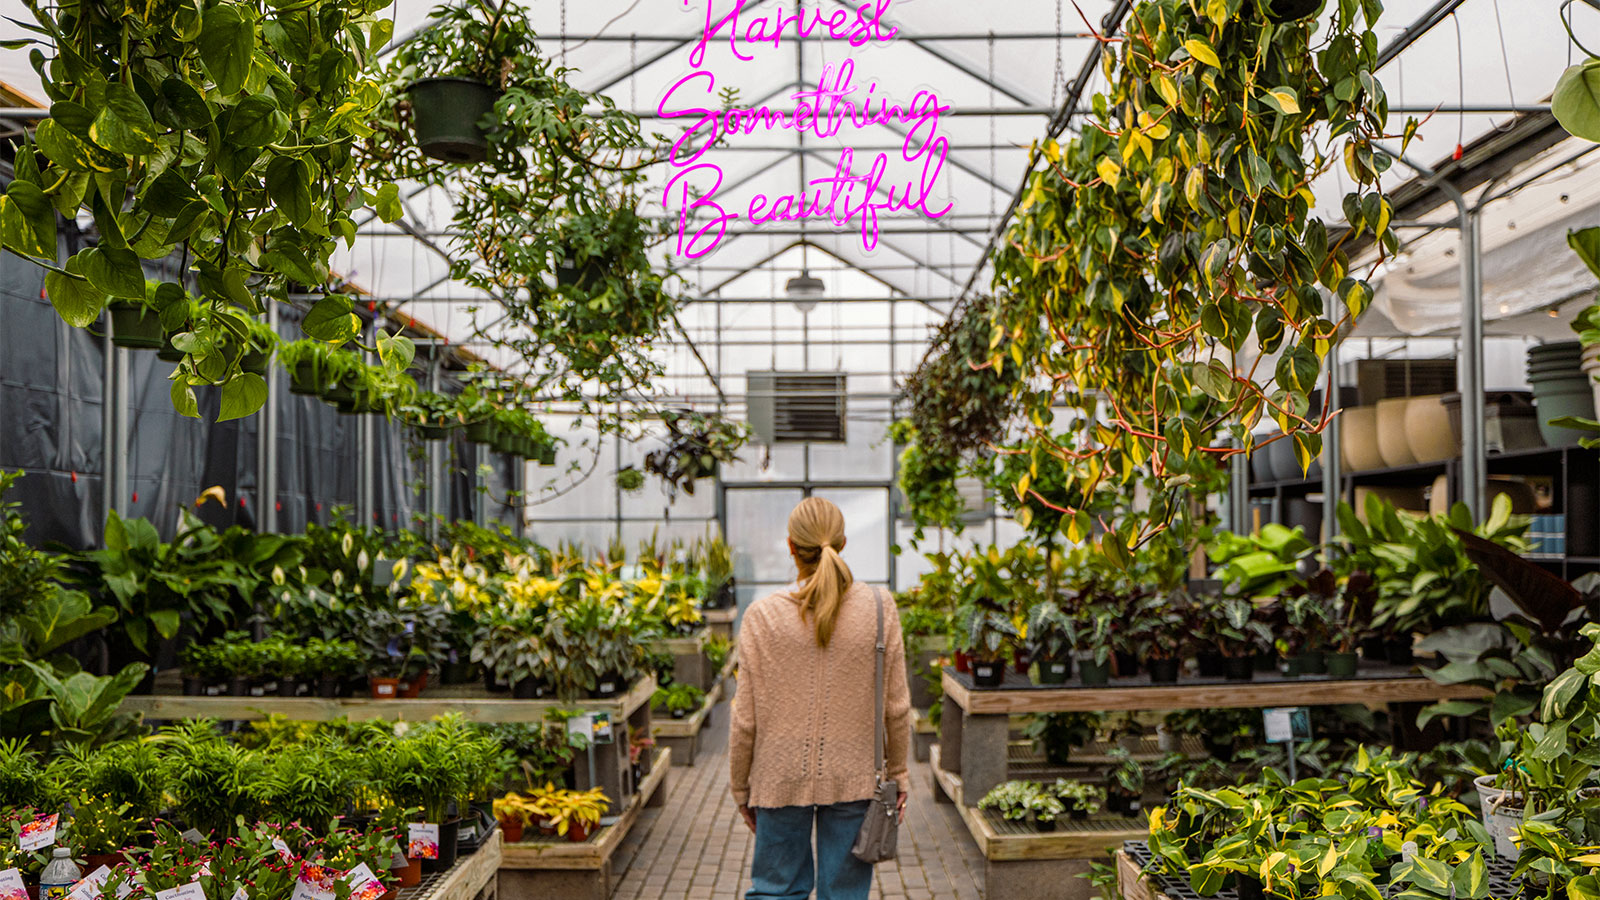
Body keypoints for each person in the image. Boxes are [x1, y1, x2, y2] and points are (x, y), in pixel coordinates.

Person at [729, 497, 912, 900]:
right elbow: (896, 707)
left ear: (791, 546)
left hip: (777, 778)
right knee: (843, 894)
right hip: (855, 777)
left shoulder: (761, 617)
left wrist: (740, 787)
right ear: (843, 543)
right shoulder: (880, 609)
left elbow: (745, 718)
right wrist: (898, 775)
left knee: (776, 892)